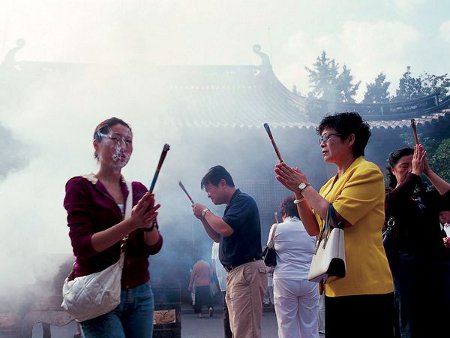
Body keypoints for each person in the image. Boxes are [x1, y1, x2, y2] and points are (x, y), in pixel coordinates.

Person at [274, 112, 394, 338]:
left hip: (366, 283)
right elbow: (314, 229)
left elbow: (336, 218)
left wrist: (303, 187)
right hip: (336, 284)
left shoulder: (367, 172)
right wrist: (298, 193)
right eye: (320, 138)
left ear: (350, 139)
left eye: (328, 137)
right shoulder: (330, 184)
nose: (322, 143)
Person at [63, 117, 163, 338]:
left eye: (128, 141)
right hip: (97, 290)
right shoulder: (80, 187)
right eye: (116, 139)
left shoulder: (138, 190)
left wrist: (146, 226)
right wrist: (131, 223)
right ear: (96, 144)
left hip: (140, 292)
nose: (123, 146)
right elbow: (83, 247)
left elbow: (154, 246)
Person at [192, 165, 267, 338]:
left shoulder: (243, 201)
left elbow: (224, 229)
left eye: (209, 190)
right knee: (238, 331)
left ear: (223, 183)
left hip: (246, 271)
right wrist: (203, 218)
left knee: (246, 332)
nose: (208, 195)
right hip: (236, 273)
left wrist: (205, 211)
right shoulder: (232, 205)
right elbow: (218, 237)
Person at [385, 145, 450, 337]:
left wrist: (427, 170)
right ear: (392, 170)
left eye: (414, 165)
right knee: (410, 321)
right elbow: (395, 203)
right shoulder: (389, 195)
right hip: (406, 269)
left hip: (435, 265)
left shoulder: (426, 197)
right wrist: (414, 173)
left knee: (439, 318)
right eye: (405, 166)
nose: (411, 169)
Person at [268, 196, 319, 338]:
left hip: (284, 280)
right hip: (310, 279)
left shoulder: (276, 228)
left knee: (287, 325)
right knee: (310, 325)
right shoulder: (313, 228)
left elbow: (269, 250)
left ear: (284, 213)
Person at [211, 241, 232, 338]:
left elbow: (213, 264)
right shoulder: (229, 236)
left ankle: (228, 335)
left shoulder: (215, 243)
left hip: (223, 281)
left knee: (227, 310)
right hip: (234, 277)